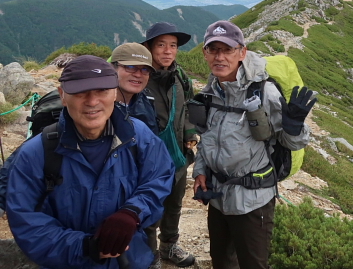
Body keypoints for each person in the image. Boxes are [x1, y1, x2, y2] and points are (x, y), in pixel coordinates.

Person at [6, 55, 174, 269]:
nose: (92, 102)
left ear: (114, 93)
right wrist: (85, 247)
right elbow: (25, 220)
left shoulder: (138, 136)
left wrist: (133, 211)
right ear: (63, 96)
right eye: (80, 92)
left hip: (129, 261)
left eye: (102, 91)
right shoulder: (36, 153)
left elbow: (159, 178)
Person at [192, 20, 314, 269]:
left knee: (253, 264)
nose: (219, 57)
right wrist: (200, 171)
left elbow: (293, 143)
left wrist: (295, 125)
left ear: (242, 52)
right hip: (217, 196)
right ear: (205, 53)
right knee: (221, 261)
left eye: (227, 50)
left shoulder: (265, 92)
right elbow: (208, 136)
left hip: (253, 199)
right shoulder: (212, 89)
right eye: (213, 50)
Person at [142, 22, 197, 267]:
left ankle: (169, 247)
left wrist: (189, 131)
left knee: (174, 205)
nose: (167, 51)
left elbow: (186, 108)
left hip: (177, 155)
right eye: (161, 45)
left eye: (172, 46)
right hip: (148, 161)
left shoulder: (179, 76)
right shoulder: (139, 77)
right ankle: (149, 255)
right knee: (150, 209)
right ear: (149, 47)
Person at [110, 43, 159, 135]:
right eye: (130, 67)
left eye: (145, 69)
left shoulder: (147, 101)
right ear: (112, 68)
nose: (138, 74)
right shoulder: (98, 104)